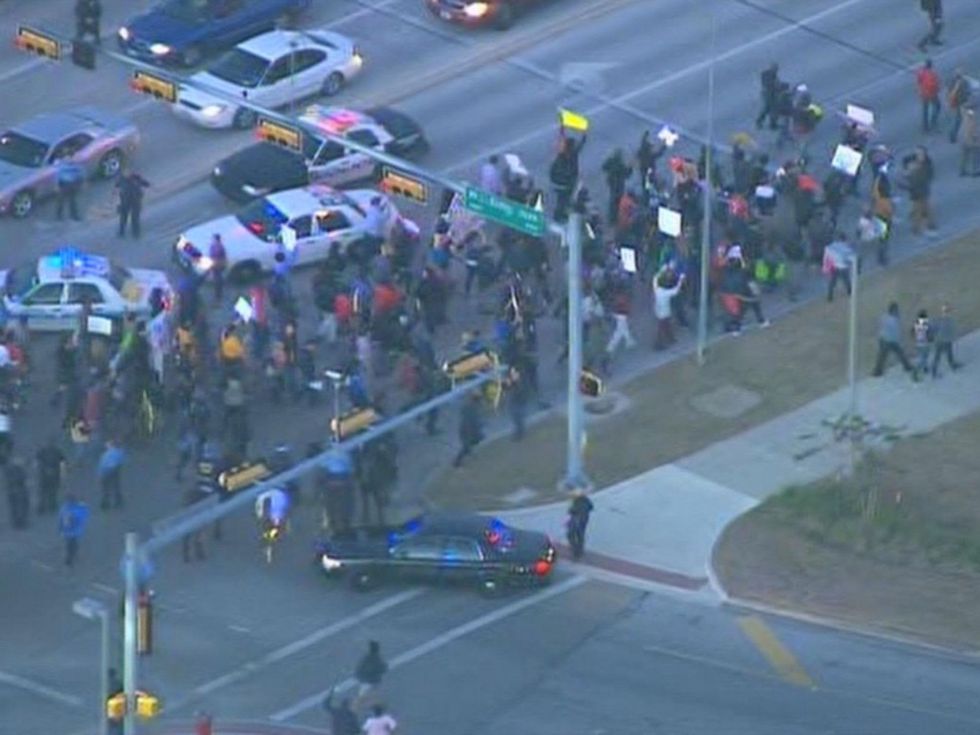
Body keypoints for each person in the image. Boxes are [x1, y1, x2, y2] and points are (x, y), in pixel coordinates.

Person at [872, 302, 913, 378]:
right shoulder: (890, 319)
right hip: (887, 340)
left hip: (890, 340)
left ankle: (907, 366)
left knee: (899, 353)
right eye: (896, 310)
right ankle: (877, 371)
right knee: (883, 356)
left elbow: (881, 324)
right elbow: (895, 330)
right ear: (892, 310)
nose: (897, 311)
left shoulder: (889, 318)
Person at [452, 392, 484, 468]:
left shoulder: (471, 406)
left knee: (476, 439)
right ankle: (456, 462)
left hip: (468, 430)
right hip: (467, 430)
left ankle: (468, 451)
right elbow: (471, 422)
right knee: (466, 446)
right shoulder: (471, 408)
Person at [35, 437, 66, 515]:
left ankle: (42, 507)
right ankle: (51, 505)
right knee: (52, 490)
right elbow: (63, 462)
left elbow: (37, 461)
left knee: (44, 491)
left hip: (44, 473)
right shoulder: (57, 451)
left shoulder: (43, 450)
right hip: (54, 474)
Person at [116, 168, 149, 238]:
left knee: (135, 218)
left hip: (136, 200)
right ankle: (121, 232)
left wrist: (153, 187)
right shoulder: (121, 180)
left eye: (128, 172)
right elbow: (116, 188)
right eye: (125, 172)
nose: (126, 174)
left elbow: (145, 183)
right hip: (125, 201)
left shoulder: (136, 177)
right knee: (123, 217)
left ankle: (136, 233)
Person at [354, 640, 388, 709]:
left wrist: (358, 676)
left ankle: (355, 708)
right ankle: (376, 708)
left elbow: (359, 668)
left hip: (365, 680)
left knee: (362, 695)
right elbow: (383, 668)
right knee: (376, 694)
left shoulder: (366, 658)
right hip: (374, 680)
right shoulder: (378, 659)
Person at [601, 148, 632, 224]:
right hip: (619, 185)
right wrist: (630, 168)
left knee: (613, 199)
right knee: (617, 201)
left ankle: (611, 218)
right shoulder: (621, 165)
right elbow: (627, 174)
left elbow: (604, 167)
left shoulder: (611, 161)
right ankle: (615, 217)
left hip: (612, 183)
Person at [932, 302, 962, 377]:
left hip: (939, 340)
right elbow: (952, 331)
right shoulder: (950, 320)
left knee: (937, 356)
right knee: (949, 354)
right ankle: (952, 366)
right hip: (947, 340)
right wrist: (954, 337)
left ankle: (934, 371)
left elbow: (934, 329)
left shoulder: (939, 319)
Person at [59, 495, 89, 567]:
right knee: (72, 543)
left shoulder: (65, 509)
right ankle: (71, 555)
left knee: (70, 543)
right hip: (72, 530)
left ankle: (70, 555)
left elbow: (61, 519)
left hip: (70, 530)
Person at [97, 438, 126, 510]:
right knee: (116, 486)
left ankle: (106, 503)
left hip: (106, 472)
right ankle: (118, 501)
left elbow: (102, 465)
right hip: (115, 470)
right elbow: (122, 461)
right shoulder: (119, 452)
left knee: (106, 488)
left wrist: (100, 474)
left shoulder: (105, 455)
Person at [566, 489, 594, 560]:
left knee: (570, 534)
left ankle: (576, 551)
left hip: (577, 521)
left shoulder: (576, 502)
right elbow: (591, 507)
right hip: (584, 521)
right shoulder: (586, 500)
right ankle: (580, 550)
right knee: (580, 536)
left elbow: (571, 511)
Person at [916, 58, 942, 133]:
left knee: (925, 109)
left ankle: (925, 127)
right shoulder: (933, 74)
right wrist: (937, 90)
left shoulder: (921, 72)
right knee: (937, 106)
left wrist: (920, 90)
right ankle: (933, 121)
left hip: (924, 94)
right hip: (932, 94)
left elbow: (919, 81)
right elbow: (936, 85)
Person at [56, 156, 84, 221]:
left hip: (72, 184)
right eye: (67, 158)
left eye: (70, 158)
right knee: (61, 200)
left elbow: (80, 174)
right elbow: (57, 176)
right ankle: (59, 215)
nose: (69, 160)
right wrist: (57, 186)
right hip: (63, 184)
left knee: (73, 201)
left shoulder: (76, 166)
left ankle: (74, 215)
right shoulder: (61, 166)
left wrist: (81, 183)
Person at [947, 68, 971, 144]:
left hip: (955, 103)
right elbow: (968, 92)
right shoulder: (964, 82)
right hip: (962, 103)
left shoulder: (952, 82)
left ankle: (952, 135)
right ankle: (955, 135)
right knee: (962, 120)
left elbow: (949, 92)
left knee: (957, 120)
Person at [5, 457, 29, 530]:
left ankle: (17, 521)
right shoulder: (17, 471)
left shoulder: (9, 471)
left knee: (16, 507)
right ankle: (19, 521)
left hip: (13, 490)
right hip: (18, 490)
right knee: (19, 506)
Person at [755, 62, 781, 130]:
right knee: (773, 109)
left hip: (767, 93)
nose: (776, 70)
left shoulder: (767, 74)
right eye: (776, 69)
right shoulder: (770, 74)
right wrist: (777, 87)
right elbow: (771, 84)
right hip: (769, 94)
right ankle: (772, 124)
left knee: (767, 108)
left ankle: (760, 122)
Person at [911, 309, 934, 383]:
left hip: (918, 343)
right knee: (923, 358)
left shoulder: (916, 323)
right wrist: (931, 339)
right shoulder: (926, 323)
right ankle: (916, 371)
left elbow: (912, 332)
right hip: (925, 343)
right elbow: (929, 333)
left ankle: (925, 368)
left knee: (922, 357)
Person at [959, 105, 980, 176]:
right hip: (971, 139)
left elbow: (964, 109)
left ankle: (962, 170)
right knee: (974, 156)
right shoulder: (972, 118)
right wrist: (976, 137)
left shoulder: (964, 114)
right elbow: (973, 129)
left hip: (963, 138)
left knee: (964, 155)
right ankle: (973, 171)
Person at [208, 234, 228, 302]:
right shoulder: (214, 246)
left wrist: (223, 265)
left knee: (218, 281)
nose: (213, 240)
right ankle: (217, 294)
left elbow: (223, 257)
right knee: (216, 280)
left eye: (214, 239)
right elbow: (211, 256)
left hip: (218, 266)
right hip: (215, 265)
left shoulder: (219, 247)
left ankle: (218, 295)